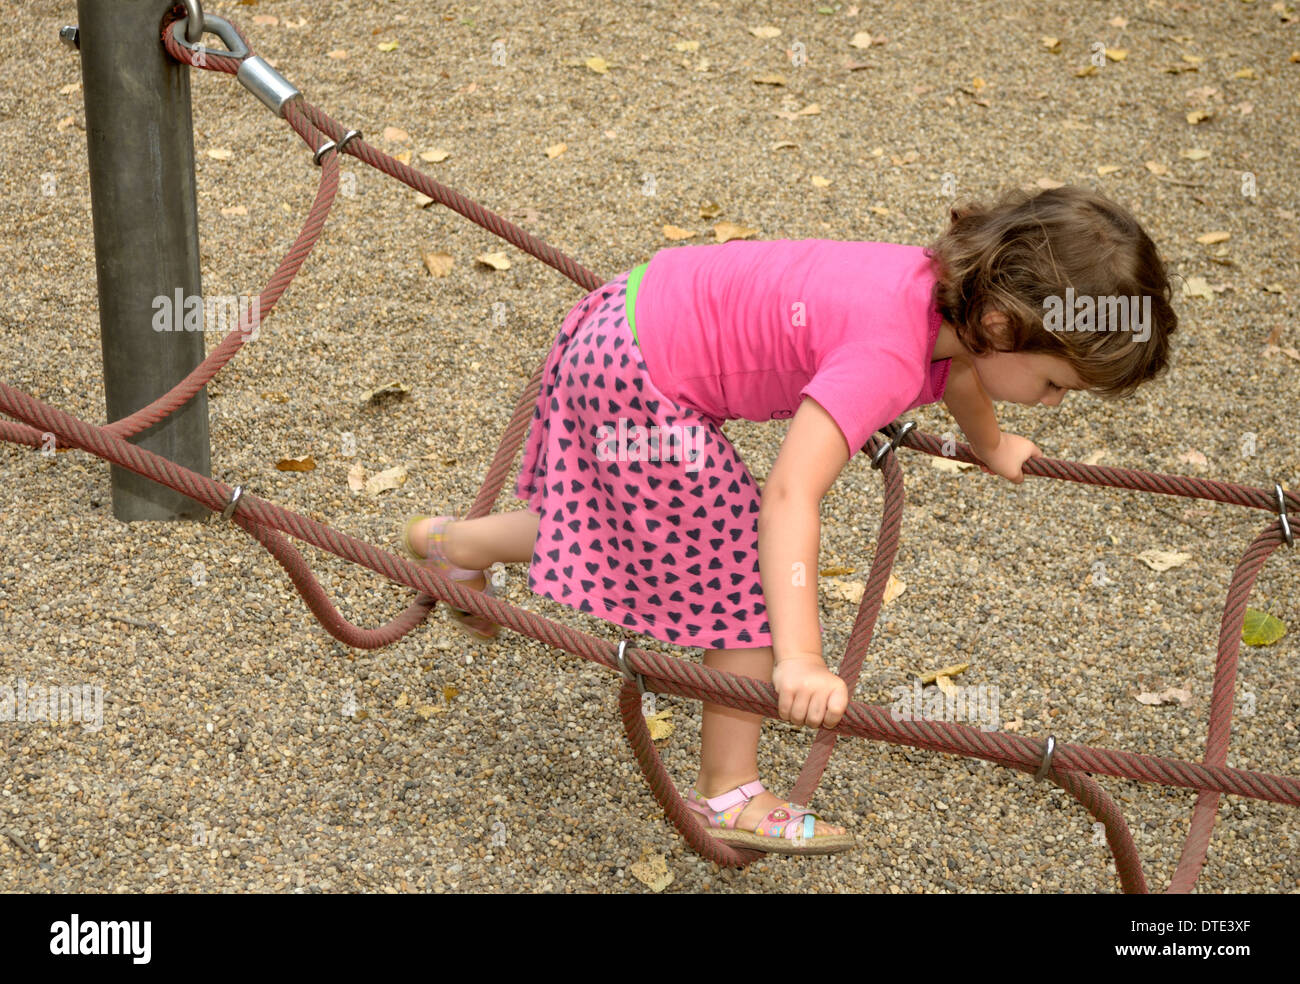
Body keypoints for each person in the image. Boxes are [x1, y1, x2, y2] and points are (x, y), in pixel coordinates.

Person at [401, 184, 1178, 855]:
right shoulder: (888, 352)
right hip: (638, 378)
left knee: (645, 519)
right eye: (1055, 384)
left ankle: (449, 544)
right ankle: (729, 790)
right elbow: (789, 495)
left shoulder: (943, 296)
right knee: (740, 560)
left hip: (626, 317)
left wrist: (993, 441)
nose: (1054, 403)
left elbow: (964, 373)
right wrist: (800, 657)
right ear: (1007, 326)